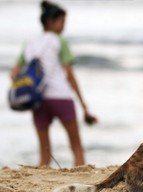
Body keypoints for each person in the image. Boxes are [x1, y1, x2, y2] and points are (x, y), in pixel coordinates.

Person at [10, 1, 97, 167]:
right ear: (51, 21)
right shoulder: (59, 41)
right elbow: (69, 75)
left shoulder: (29, 43)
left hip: (38, 101)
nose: (64, 26)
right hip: (61, 97)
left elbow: (14, 74)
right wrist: (84, 106)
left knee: (44, 155)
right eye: (62, 22)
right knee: (77, 148)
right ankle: (79, 182)